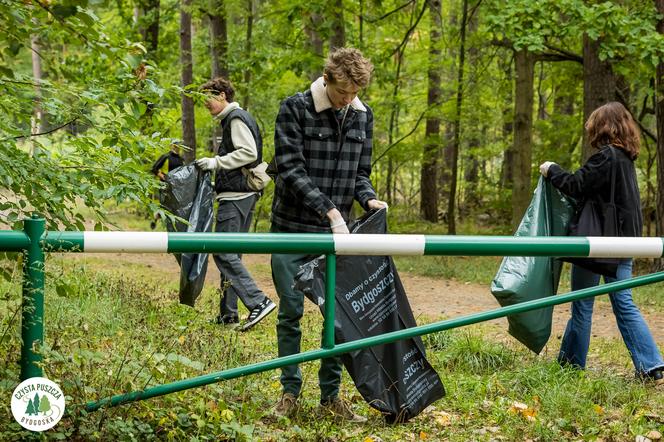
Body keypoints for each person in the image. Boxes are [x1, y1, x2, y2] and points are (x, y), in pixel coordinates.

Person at [270, 48, 388, 421]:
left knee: (336, 318)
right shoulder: (295, 108)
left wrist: (368, 200)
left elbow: (360, 173)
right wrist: (329, 208)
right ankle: (289, 392)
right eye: (342, 93)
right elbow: (289, 168)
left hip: (338, 237)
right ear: (327, 79)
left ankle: (331, 396)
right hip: (291, 230)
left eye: (354, 94)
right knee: (290, 313)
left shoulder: (362, 116)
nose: (347, 101)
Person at [539, 101, 663, 384]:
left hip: (599, 243)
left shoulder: (606, 157)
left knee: (582, 304)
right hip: (625, 243)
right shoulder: (626, 160)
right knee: (624, 302)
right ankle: (651, 364)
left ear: (603, 127)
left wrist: (551, 169)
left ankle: (571, 366)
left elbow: (575, 184)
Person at [195, 77, 276, 331]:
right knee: (231, 252)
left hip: (236, 195)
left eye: (207, 98)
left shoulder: (236, 118)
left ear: (221, 95)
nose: (205, 104)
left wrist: (214, 162)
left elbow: (249, 153)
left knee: (223, 251)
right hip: (242, 195)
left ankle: (258, 301)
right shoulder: (234, 118)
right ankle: (228, 314)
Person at [150, 140, 185, 229]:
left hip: (177, 188)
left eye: (179, 146)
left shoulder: (181, 159)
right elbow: (154, 169)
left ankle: (173, 226)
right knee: (165, 207)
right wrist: (163, 177)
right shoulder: (166, 157)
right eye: (175, 145)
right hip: (165, 187)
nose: (177, 147)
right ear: (172, 146)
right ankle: (157, 220)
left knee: (174, 208)